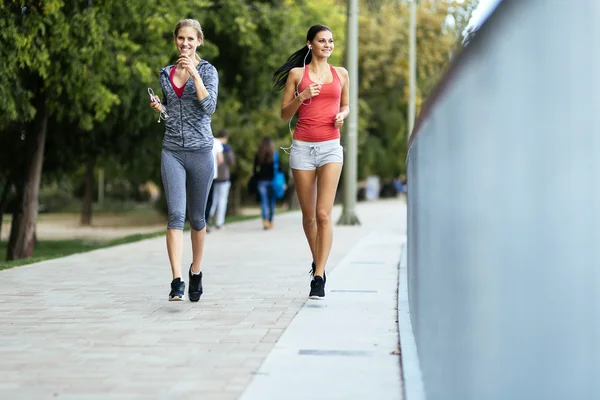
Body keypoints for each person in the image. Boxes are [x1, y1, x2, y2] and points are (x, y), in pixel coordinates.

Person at [273, 24, 349, 299]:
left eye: (330, 40)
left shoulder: (341, 74)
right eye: (321, 40)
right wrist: (301, 97)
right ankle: (319, 262)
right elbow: (284, 115)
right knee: (308, 217)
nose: (327, 45)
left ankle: (318, 276)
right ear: (310, 45)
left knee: (323, 214)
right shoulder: (297, 75)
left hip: (331, 147)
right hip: (303, 148)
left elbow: (345, 104)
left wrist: (344, 115)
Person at [149, 19, 218, 302]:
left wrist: (195, 76)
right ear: (175, 40)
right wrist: (160, 107)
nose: (185, 44)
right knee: (176, 215)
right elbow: (172, 112)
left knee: (197, 218)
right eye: (181, 39)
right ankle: (177, 280)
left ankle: (196, 271)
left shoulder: (208, 71)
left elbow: (209, 107)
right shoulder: (165, 73)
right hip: (172, 151)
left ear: (199, 41)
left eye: (191, 39)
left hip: (201, 151)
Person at [209, 129, 235, 229]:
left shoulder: (212, 144)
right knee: (222, 200)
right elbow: (231, 162)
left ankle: (209, 216)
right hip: (224, 176)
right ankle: (219, 222)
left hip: (214, 176)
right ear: (226, 137)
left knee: (213, 199)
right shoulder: (227, 148)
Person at [253, 137, 280, 230]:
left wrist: (257, 178)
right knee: (271, 201)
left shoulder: (258, 154)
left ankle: (265, 221)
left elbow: (255, 170)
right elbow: (279, 168)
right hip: (273, 181)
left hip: (261, 181)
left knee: (263, 202)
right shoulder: (274, 154)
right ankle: (271, 220)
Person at [205, 136, 224, 233]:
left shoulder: (199, 138)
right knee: (209, 200)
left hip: (197, 173)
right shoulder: (216, 142)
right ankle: (205, 223)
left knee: (198, 199)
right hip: (211, 174)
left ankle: (196, 222)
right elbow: (220, 159)